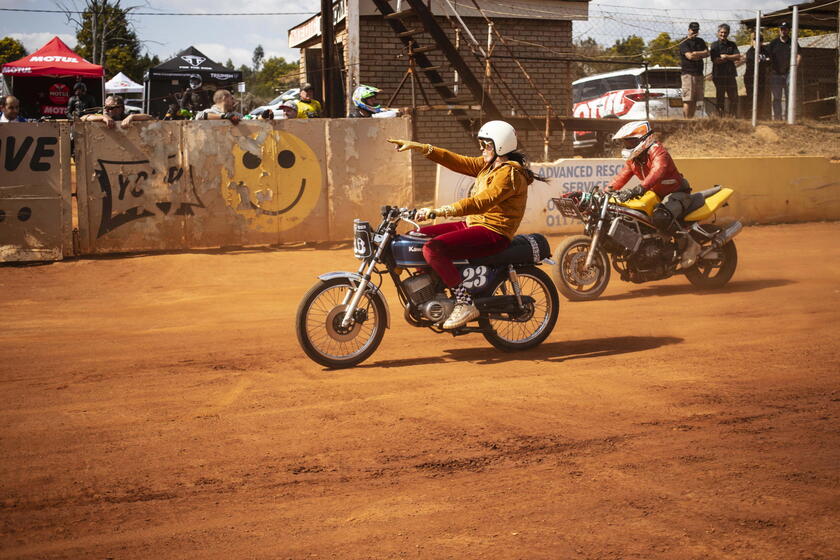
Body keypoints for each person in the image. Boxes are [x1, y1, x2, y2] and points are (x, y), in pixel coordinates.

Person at [386, 121, 539, 329]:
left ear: (500, 146)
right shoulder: (488, 166)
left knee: (433, 249)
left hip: (493, 233)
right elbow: (455, 161)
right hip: (473, 225)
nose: (482, 149)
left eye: (486, 145)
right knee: (416, 236)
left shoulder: (510, 175)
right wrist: (419, 147)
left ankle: (464, 302)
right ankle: (432, 291)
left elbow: (480, 202)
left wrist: (440, 211)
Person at [605, 121, 691, 235]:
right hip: (655, 194)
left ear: (644, 139)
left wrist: (639, 189)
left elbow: (658, 170)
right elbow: (621, 177)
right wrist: (605, 192)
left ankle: (678, 244)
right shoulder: (634, 159)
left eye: (631, 141)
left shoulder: (657, 151)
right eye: (626, 142)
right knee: (635, 215)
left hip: (676, 192)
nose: (628, 145)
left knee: (660, 217)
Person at [767, 21, 802, 121]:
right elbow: (767, 56)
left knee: (789, 96)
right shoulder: (773, 43)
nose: (783, 31)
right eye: (781, 29)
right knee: (777, 97)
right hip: (776, 74)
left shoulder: (793, 42)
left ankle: (788, 118)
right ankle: (777, 118)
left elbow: (799, 55)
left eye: (785, 29)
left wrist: (795, 66)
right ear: (779, 30)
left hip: (789, 73)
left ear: (788, 30)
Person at [679, 22, 709, 119]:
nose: (694, 32)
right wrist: (699, 55)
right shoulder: (684, 43)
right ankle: (686, 121)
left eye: (696, 30)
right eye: (693, 30)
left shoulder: (700, 41)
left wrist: (696, 53)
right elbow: (690, 56)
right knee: (688, 100)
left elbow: (707, 53)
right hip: (688, 74)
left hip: (699, 73)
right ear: (689, 30)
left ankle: (691, 120)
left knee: (696, 99)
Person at [710, 23, 741, 117]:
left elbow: (738, 56)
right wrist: (729, 58)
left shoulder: (732, 44)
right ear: (718, 32)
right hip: (719, 75)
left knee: (734, 97)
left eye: (725, 32)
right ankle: (720, 118)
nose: (723, 34)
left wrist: (726, 56)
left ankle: (733, 117)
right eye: (721, 32)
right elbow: (715, 60)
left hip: (730, 75)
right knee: (720, 97)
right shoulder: (714, 45)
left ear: (728, 33)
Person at [81, 95, 152, 128]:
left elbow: (149, 117)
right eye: (105, 107)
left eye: (110, 108)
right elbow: (83, 118)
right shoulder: (101, 117)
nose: (106, 110)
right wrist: (103, 118)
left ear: (120, 109)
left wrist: (132, 116)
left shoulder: (125, 117)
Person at [744, 30, 770, 120]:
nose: (758, 42)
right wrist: (764, 61)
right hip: (750, 77)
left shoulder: (765, 51)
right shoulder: (750, 52)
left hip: (761, 77)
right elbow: (753, 64)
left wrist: (762, 61)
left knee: (761, 96)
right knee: (751, 96)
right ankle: (750, 116)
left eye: (760, 40)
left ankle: (759, 115)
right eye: (756, 40)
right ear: (753, 41)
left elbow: (769, 61)